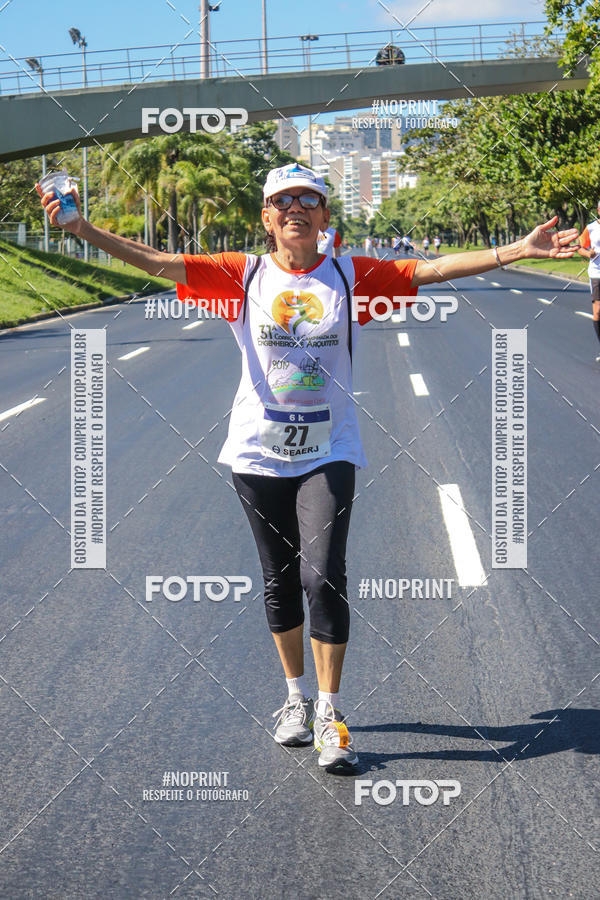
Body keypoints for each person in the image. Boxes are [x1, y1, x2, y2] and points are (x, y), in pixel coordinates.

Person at [36, 162, 578, 773]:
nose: (296, 208)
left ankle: (329, 711)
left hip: (330, 449)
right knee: (278, 578)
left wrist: (516, 251)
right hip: (255, 451)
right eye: (283, 201)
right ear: (267, 218)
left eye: (309, 200)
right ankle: (292, 699)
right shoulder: (241, 275)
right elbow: (156, 260)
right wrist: (80, 227)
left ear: (325, 217)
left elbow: (433, 269)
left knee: (322, 575)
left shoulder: (351, 276)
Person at [577, 200, 600, 362]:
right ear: (598, 210)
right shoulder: (591, 228)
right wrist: (588, 254)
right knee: (598, 310)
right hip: (597, 273)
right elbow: (578, 247)